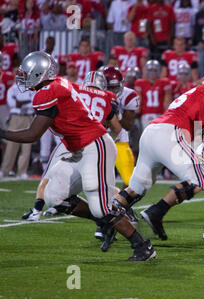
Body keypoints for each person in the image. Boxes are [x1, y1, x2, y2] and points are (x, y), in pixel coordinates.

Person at [3, 52, 153, 261]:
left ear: (40, 73)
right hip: (77, 149)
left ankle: (142, 246)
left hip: (95, 145)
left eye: (27, 74)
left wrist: (2, 133)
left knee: (101, 207)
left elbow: (32, 134)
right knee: (54, 196)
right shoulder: (56, 84)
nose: (23, 78)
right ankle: (105, 222)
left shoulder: (49, 91)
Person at [113, 69, 204, 241]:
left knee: (136, 188)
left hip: (151, 133)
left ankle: (105, 225)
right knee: (198, 180)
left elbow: (201, 134)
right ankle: (156, 212)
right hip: (170, 133)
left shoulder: (194, 95)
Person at [22, 71, 121, 222]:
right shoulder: (109, 97)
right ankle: (121, 208)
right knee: (97, 188)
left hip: (75, 139)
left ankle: (38, 210)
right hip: (96, 142)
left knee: (51, 176)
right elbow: (116, 125)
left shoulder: (73, 87)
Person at [102, 67, 139, 188]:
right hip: (98, 136)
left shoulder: (129, 95)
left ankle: (122, 204)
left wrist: (116, 114)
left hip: (119, 138)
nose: (113, 90)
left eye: (116, 87)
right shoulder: (95, 93)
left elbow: (128, 125)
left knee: (130, 181)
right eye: (110, 87)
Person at [0, 78, 35, 179]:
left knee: (26, 146)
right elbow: (12, 104)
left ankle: (22, 171)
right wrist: (25, 102)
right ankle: (5, 170)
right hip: (16, 117)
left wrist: (20, 102)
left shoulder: (31, 89)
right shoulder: (12, 89)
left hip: (28, 117)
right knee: (11, 145)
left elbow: (33, 103)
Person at [135, 60, 172, 130]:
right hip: (145, 115)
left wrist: (166, 116)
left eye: (154, 70)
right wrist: (136, 115)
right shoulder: (140, 83)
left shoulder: (164, 82)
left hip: (160, 114)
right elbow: (138, 100)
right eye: (150, 70)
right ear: (146, 71)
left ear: (158, 71)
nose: (152, 73)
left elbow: (167, 101)